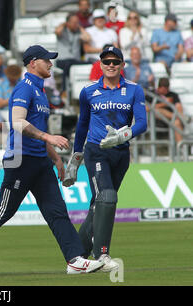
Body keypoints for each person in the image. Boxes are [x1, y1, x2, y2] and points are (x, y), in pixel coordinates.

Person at [0, 44, 104, 275]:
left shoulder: (41, 91)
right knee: (3, 211)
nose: (51, 64)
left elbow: (38, 129)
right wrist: (49, 138)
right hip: (20, 160)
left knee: (57, 211)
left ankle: (75, 259)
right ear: (33, 62)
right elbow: (17, 121)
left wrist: (55, 158)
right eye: (47, 60)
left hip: (39, 161)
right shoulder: (24, 88)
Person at [63, 46, 147, 271]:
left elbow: (142, 122)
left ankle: (77, 257)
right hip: (96, 150)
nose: (111, 65)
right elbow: (82, 125)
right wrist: (76, 155)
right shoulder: (88, 91)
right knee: (107, 197)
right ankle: (102, 255)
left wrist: (124, 134)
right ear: (100, 64)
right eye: (107, 61)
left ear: (122, 65)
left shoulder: (134, 90)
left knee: (100, 204)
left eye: (115, 61)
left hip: (120, 153)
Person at [55, 12, 91, 95]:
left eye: (77, 22)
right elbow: (57, 31)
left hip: (75, 60)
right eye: (74, 22)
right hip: (62, 60)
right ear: (68, 22)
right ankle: (64, 90)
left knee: (90, 63)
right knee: (68, 64)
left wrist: (80, 27)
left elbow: (88, 38)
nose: (76, 24)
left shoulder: (79, 32)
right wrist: (65, 24)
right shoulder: (63, 31)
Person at [154, 77, 185, 144]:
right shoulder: (153, 94)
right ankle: (182, 118)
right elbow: (147, 108)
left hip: (172, 120)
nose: (166, 91)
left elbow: (178, 106)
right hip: (158, 120)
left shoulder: (173, 95)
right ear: (159, 87)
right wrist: (164, 103)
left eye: (167, 89)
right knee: (158, 110)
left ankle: (181, 147)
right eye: (164, 89)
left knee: (177, 122)